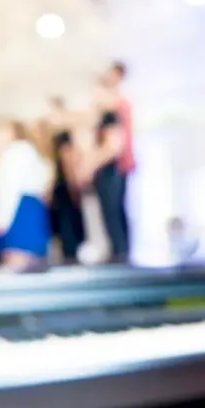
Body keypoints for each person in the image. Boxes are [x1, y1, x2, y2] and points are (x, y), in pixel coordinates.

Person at [81, 61, 135, 263]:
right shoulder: (106, 115)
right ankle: (119, 254)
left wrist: (89, 165)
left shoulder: (113, 113)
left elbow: (113, 147)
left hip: (113, 169)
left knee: (113, 214)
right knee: (112, 215)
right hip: (111, 169)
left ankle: (121, 257)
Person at [0, 121, 52, 270]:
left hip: (19, 211)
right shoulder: (30, 151)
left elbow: (9, 188)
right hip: (31, 208)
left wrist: (1, 220)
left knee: (18, 262)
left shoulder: (14, 151)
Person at [48, 100, 86, 263]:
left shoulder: (65, 137)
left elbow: (68, 162)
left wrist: (73, 184)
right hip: (60, 186)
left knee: (67, 222)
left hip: (64, 186)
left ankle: (71, 255)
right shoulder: (56, 137)